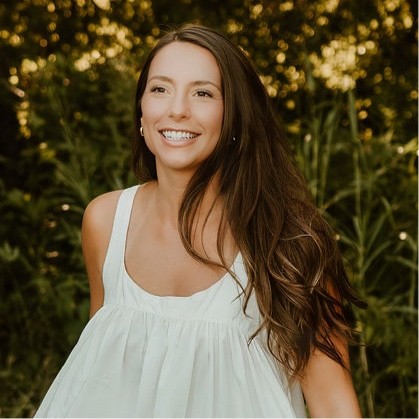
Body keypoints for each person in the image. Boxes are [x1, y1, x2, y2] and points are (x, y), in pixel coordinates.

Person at [35, 24, 364, 418]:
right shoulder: (104, 222)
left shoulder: (288, 243)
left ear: (234, 117)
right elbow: (100, 374)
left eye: (203, 93)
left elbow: (334, 405)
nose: (177, 109)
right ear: (141, 111)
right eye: (160, 88)